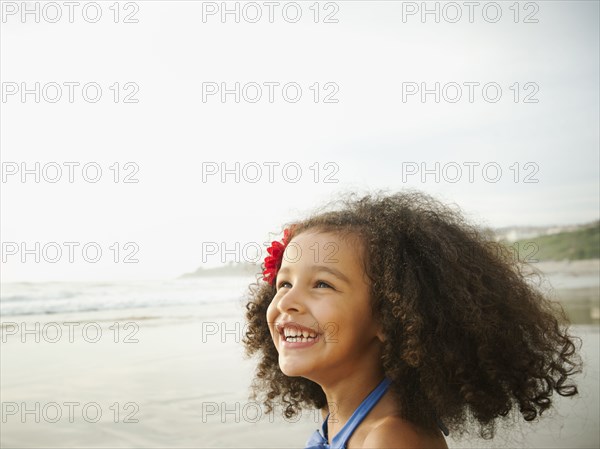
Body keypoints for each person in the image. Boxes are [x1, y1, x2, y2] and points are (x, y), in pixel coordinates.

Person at [242, 190, 582, 448]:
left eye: (322, 284)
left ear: (390, 315)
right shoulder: (341, 417)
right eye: (284, 283)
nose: (287, 301)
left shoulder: (391, 438)